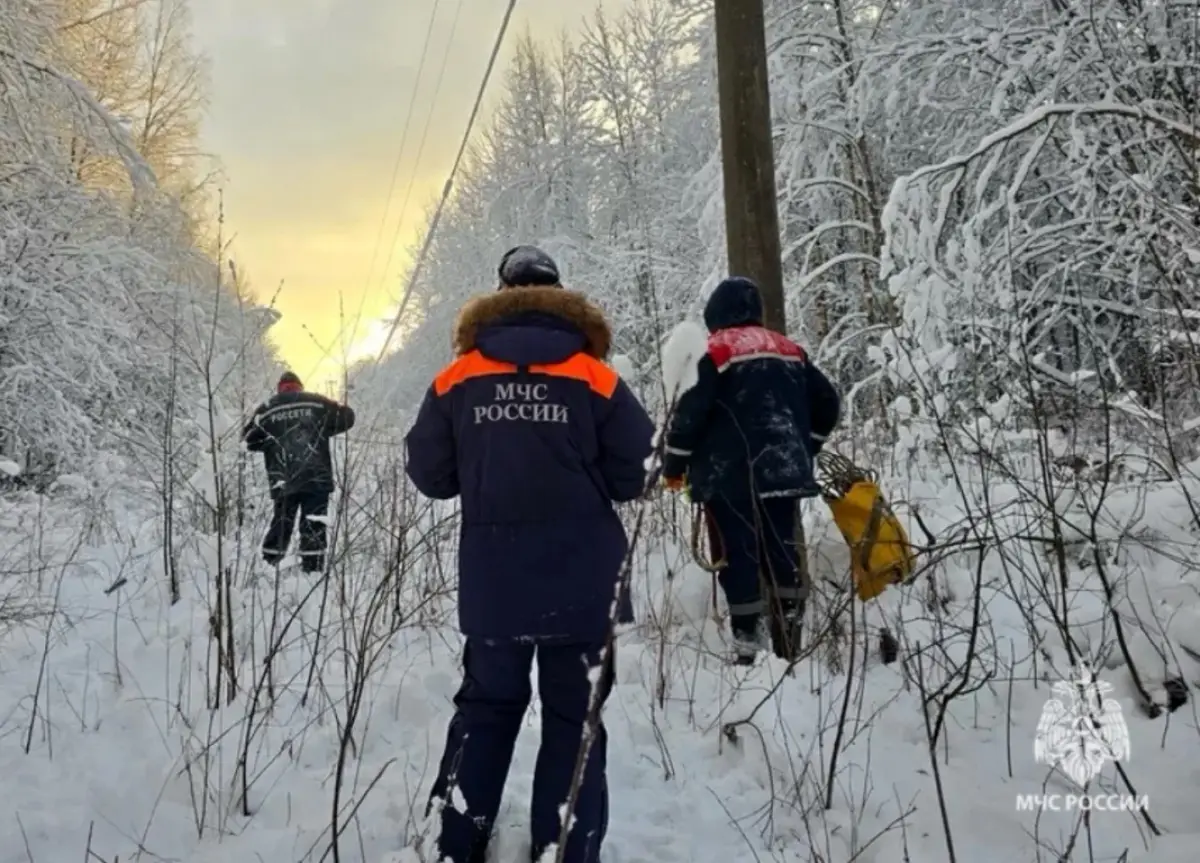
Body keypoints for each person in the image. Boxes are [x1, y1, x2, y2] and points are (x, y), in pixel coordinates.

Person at [404, 245, 654, 863]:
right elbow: (639, 471)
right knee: (577, 721)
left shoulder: (456, 378)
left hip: (495, 586)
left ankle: (455, 847)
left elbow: (430, 475)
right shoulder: (596, 376)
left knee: (486, 711)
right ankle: (566, 850)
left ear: (499, 295)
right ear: (560, 297)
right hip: (585, 584)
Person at [660, 276, 840, 664]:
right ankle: (790, 636)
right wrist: (805, 444)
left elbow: (689, 416)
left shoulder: (715, 352)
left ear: (715, 316)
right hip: (785, 472)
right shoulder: (790, 350)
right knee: (783, 550)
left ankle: (749, 647)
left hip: (730, 476)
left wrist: (673, 465)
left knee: (737, 553)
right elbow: (829, 402)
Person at [242, 371, 355, 573]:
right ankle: (312, 571)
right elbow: (347, 417)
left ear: (280, 387)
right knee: (314, 522)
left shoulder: (268, 407)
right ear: (299, 386)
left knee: (282, 521)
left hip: (283, 479)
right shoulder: (316, 402)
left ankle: (268, 567)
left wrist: (271, 443)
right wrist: (325, 429)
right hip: (316, 475)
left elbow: (249, 439)